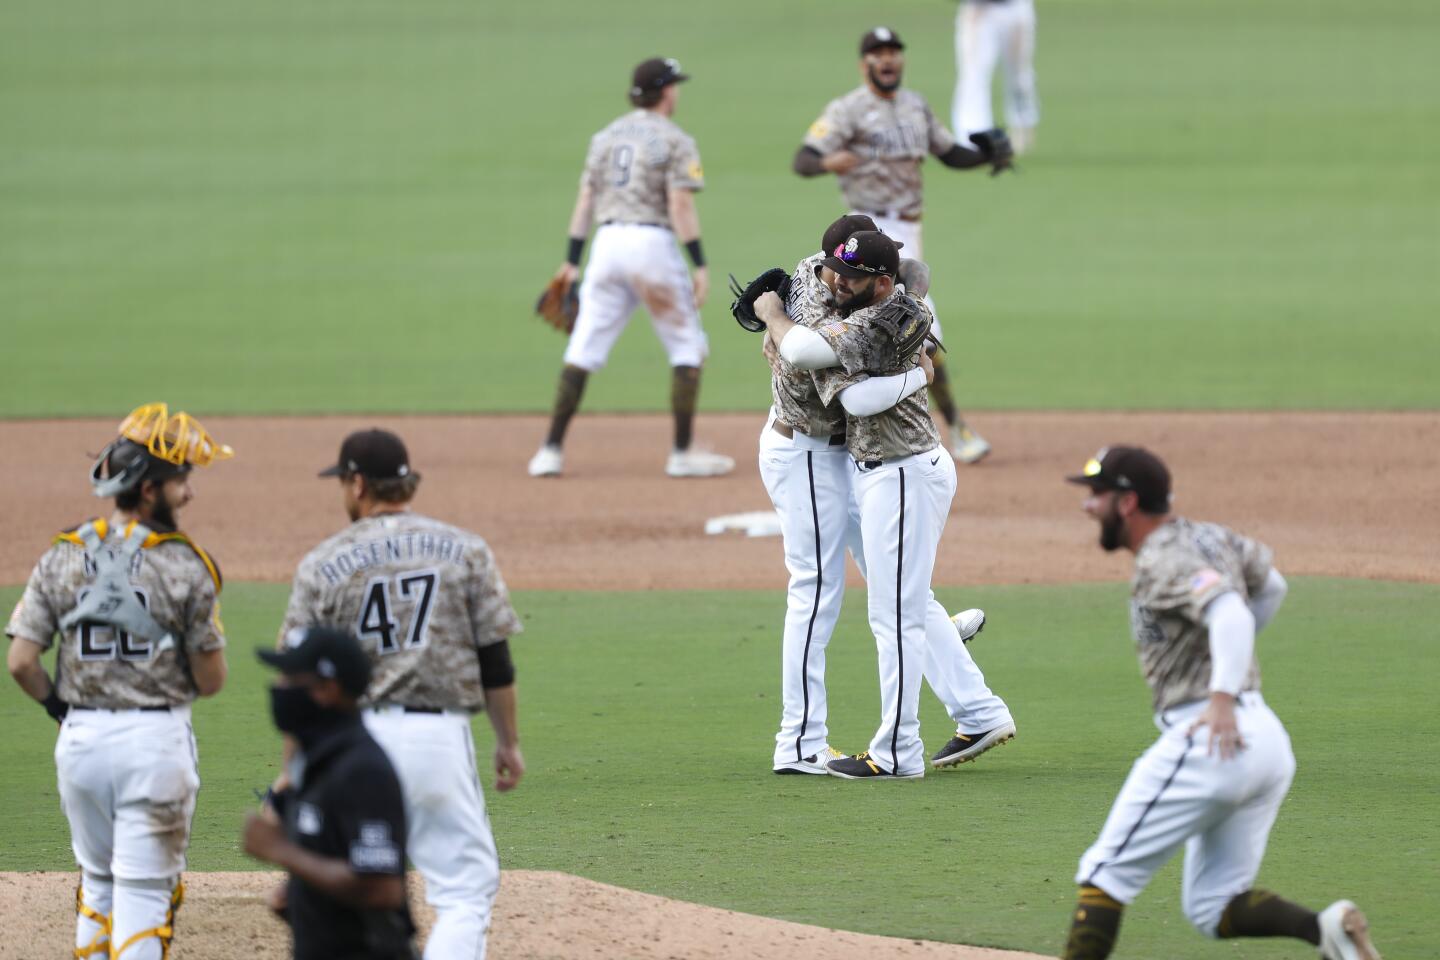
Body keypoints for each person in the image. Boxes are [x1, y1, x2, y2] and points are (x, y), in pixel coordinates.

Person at [1060, 446, 1380, 960]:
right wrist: (1225, 663)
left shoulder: (1163, 558)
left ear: (1126, 503)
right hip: (1267, 743)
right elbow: (1271, 585)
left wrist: (1221, 696)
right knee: (1213, 906)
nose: (1087, 506)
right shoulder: (1209, 536)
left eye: (1095, 495)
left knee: (1104, 874)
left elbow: (1230, 612)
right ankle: (1328, 933)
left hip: (1212, 736)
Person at [756, 216, 1015, 776]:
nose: (834, 280)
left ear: (879, 280)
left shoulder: (877, 308)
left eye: (851, 273)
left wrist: (910, 307)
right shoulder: (817, 292)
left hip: (861, 460)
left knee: (894, 594)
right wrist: (774, 318)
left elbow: (914, 271)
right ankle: (799, 743)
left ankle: (973, 708)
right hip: (804, 451)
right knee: (820, 590)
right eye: (832, 268)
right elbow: (807, 357)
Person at [278, 428, 523, 959]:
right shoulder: (465, 550)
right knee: (463, 891)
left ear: (359, 483)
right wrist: (508, 743)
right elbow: (495, 661)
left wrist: (294, 772)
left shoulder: (322, 561)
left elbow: (295, 682)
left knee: (346, 886)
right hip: (437, 739)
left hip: (349, 748)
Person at [5, 402, 232, 960]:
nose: (190, 492)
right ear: (151, 488)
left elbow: (21, 662)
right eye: (182, 480)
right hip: (154, 749)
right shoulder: (185, 565)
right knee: (143, 900)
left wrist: (65, 710)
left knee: (98, 886)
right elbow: (211, 681)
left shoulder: (64, 554)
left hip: (79, 746)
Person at [793, 26, 1012, 465]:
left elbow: (949, 152)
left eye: (893, 52)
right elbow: (804, 160)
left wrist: (987, 154)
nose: (887, 60)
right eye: (877, 54)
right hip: (868, 236)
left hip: (909, 230)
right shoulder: (847, 110)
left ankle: (927, 425)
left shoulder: (915, 106)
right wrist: (827, 162)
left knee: (910, 328)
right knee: (920, 326)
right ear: (865, 64)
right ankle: (954, 429)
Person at [529, 56, 734, 479]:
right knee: (686, 345)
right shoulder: (676, 139)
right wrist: (699, 263)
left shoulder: (604, 137)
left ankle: (550, 450)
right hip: (652, 245)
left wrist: (571, 260)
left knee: (583, 347)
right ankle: (681, 453)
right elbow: (680, 204)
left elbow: (585, 200)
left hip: (605, 246)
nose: (677, 92)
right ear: (665, 91)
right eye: (674, 85)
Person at [245, 626, 418, 960]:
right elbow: (332, 860)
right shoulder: (316, 762)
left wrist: (281, 851)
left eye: (290, 680)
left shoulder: (363, 770)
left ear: (327, 689)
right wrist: (298, 897)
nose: (279, 689)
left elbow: (381, 888)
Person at [952, 0, 1041, 155]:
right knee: (973, 77)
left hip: (1016, 8)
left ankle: (1022, 126)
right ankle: (972, 140)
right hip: (979, 9)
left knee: (1020, 76)